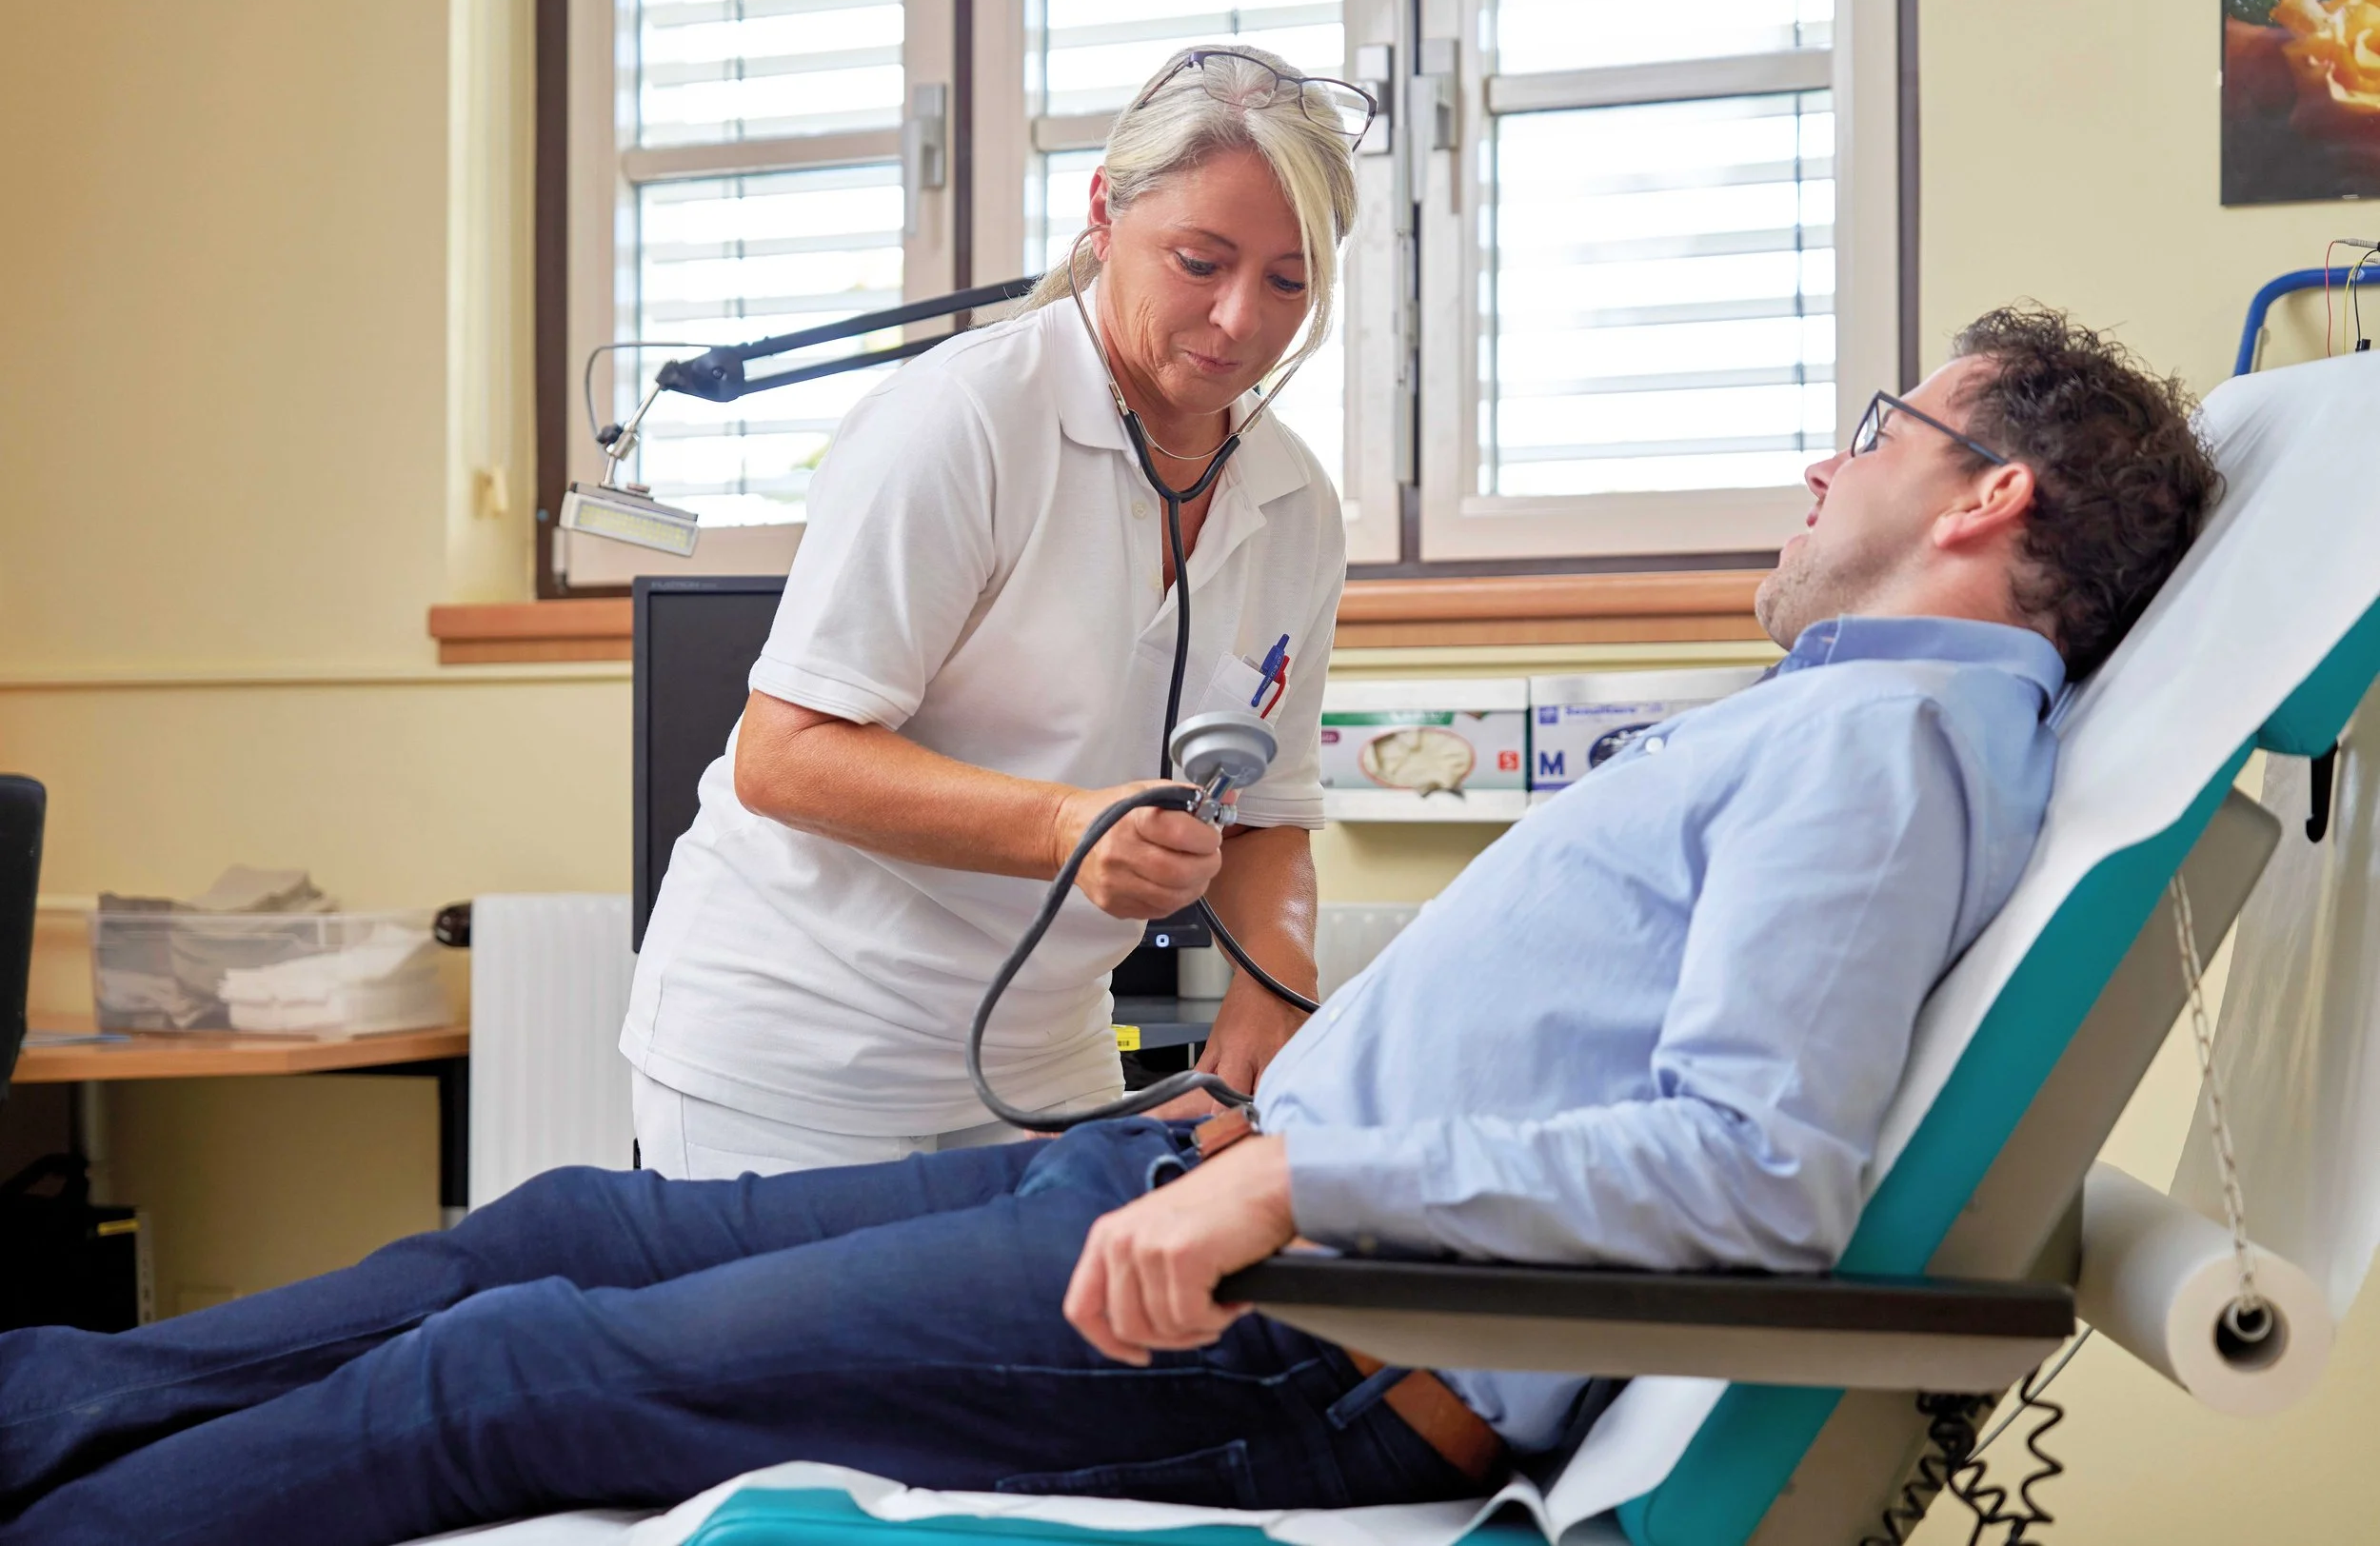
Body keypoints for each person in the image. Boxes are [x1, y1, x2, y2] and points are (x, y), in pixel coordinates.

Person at [0, 309, 2223, 1546]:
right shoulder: (1847, 723)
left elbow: (1754, 1170)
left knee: (520, 1372)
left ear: (1986, 494)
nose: (1823, 464)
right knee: (559, 1225)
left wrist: (1295, 1173)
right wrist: (1260, 1108)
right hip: (1199, 1181)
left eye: (1875, 430)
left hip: (1302, 1322)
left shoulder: (1882, 750)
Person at [623, 46, 1373, 1176]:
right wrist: (1064, 827)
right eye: (1200, 261)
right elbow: (785, 755)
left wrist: (1278, 975)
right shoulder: (961, 420)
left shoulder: (1293, 503)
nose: (1237, 320)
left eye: (1288, 281)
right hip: (794, 1055)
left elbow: (1264, 811)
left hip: (1046, 1059)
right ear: (1103, 212)